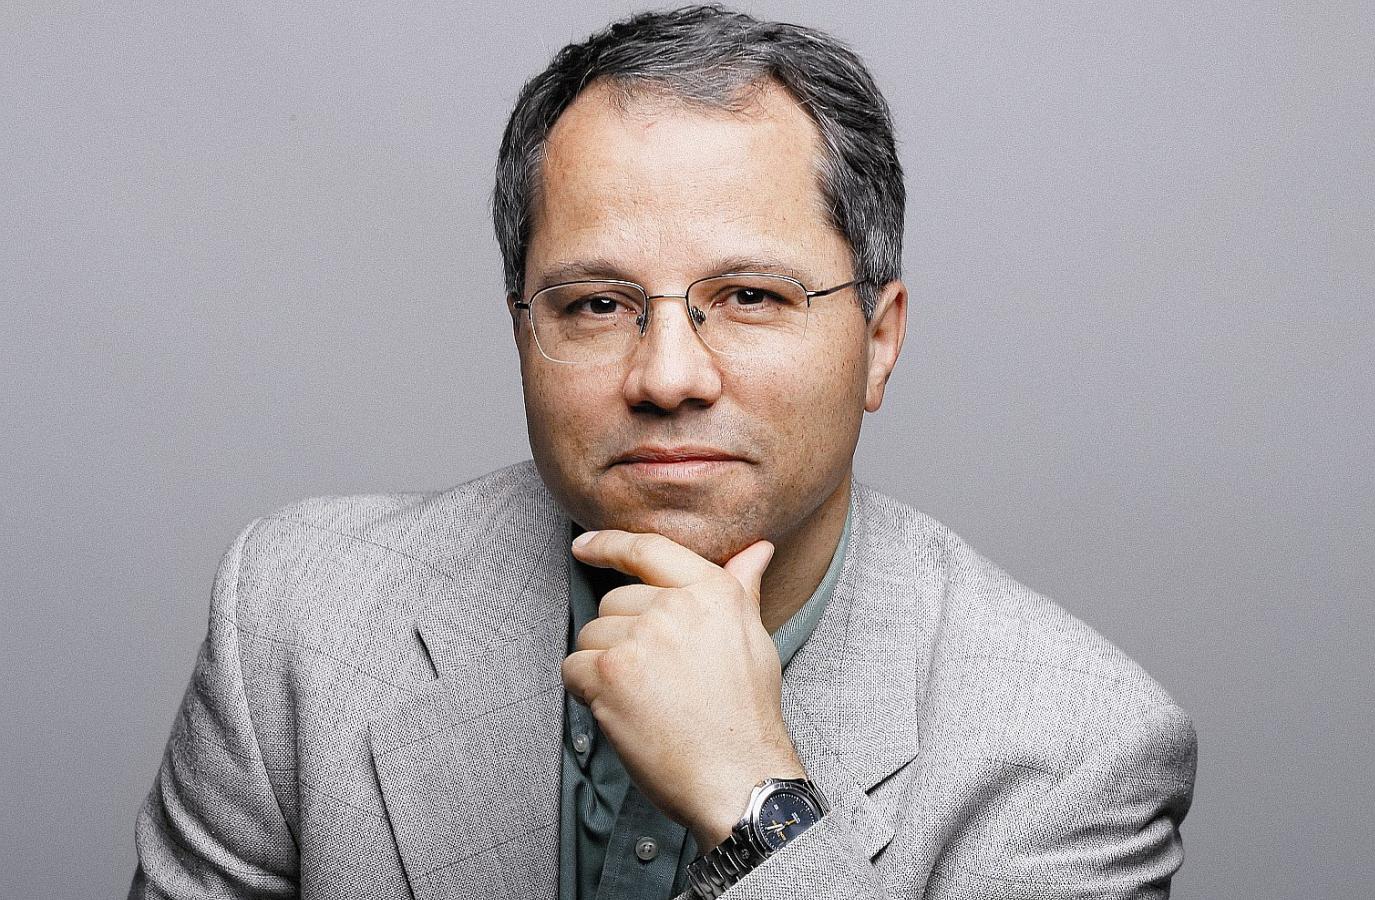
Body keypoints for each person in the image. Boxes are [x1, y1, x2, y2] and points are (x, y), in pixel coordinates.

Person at [130, 6, 1196, 899]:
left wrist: (754, 800)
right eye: (597, 304)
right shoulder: (300, 622)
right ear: (522, 335)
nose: (668, 375)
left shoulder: (1073, 746)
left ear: (878, 342)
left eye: (751, 296)